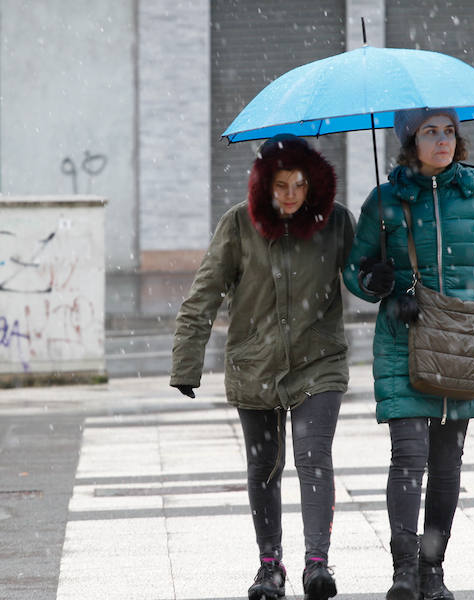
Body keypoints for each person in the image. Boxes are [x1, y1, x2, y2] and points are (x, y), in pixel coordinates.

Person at [170, 133, 356, 600]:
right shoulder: (238, 225)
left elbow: (363, 280)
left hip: (319, 361)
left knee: (313, 458)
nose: (291, 195)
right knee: (265, 468)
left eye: (298, 184)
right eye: (281, 186)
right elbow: (204, 293)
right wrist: (186, 362)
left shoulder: (336, 223)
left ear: (311, 182)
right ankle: (270, 566)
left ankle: (318, 564)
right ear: (264, 185)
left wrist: (376, 276)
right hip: (256, 362)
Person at [342, 108, 474, 600]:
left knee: (448, 464)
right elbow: (356, 268)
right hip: (404, 339)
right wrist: (378, 282)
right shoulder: (384, 200)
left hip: (463, 342)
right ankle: (404, 570)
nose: (443, 140)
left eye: (449, 131)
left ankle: (433, 569)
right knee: (408, 457)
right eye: (430, 132)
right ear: (410, 141)